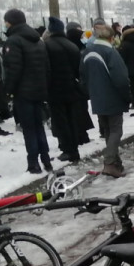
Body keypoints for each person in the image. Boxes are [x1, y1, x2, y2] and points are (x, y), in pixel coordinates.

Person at [2, 9, 52, 174]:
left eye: (7, 21)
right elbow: (46, 67)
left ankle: (33, 163)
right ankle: (46, 159)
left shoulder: (13, 41)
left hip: (23, 92)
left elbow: (13, 69)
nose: (5, 24)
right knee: (38, 125)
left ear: (12, 22)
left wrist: (8, 91)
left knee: (29, 128)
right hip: (38, 90)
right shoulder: (37, 40)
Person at [80, 22, 130, 177]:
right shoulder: (111, 53)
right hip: (112, 97)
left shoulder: (87, 52)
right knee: (116, 130)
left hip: (97, 98)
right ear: (111, 37)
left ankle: (116, 163)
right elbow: (121, 79)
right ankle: (109, 163)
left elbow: (82, 76)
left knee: (108, 130)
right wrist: (127, 96)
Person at [43, 17, 82, 163]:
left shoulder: (47, 46)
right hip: (72, 88)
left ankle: (67, 150)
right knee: (71, 119)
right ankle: (74, 149)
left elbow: (46, 69)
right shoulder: (72, 46)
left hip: (55, 90)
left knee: (60, 121)